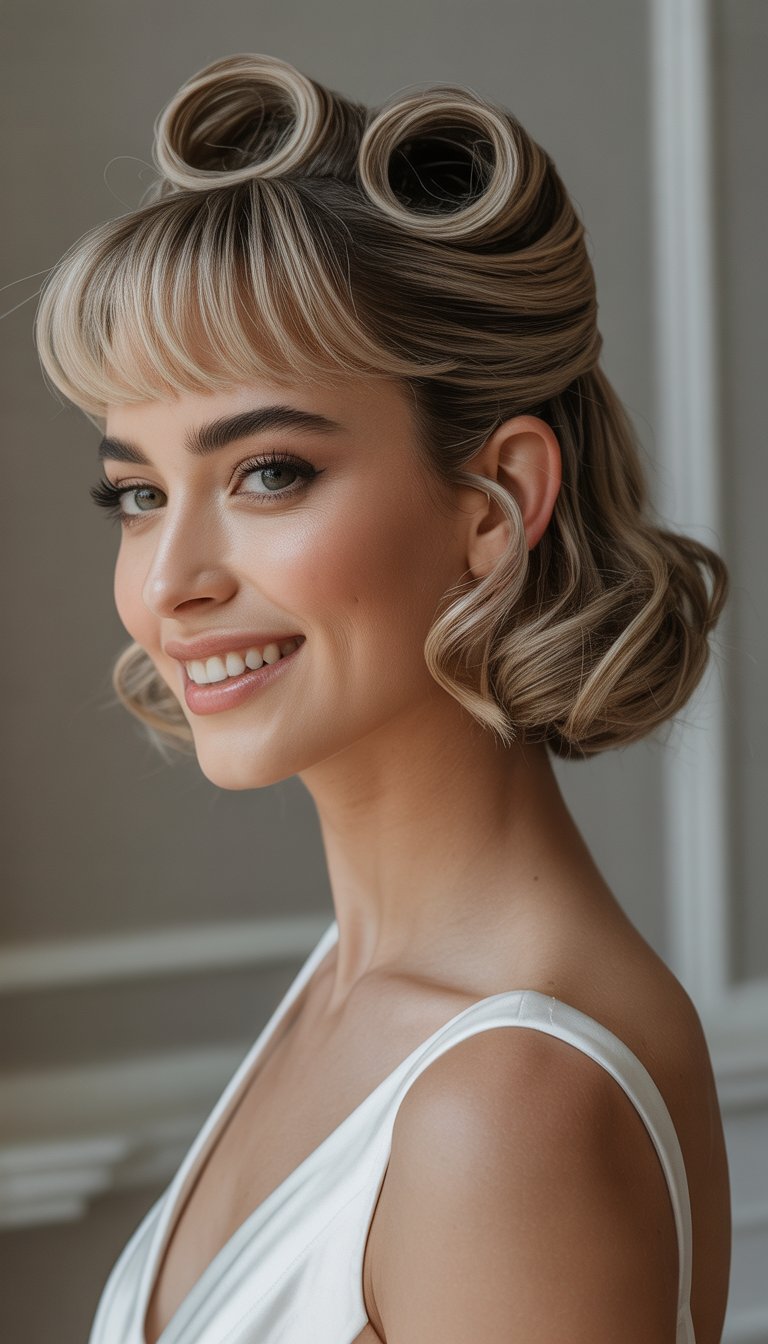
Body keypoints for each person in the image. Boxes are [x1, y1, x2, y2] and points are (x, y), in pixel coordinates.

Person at [34, 51, 731, 1344]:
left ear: (494, 505)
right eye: (138, 492)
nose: (169, 582)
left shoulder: (507, 1103)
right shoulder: (361, 989)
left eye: (268, 473)